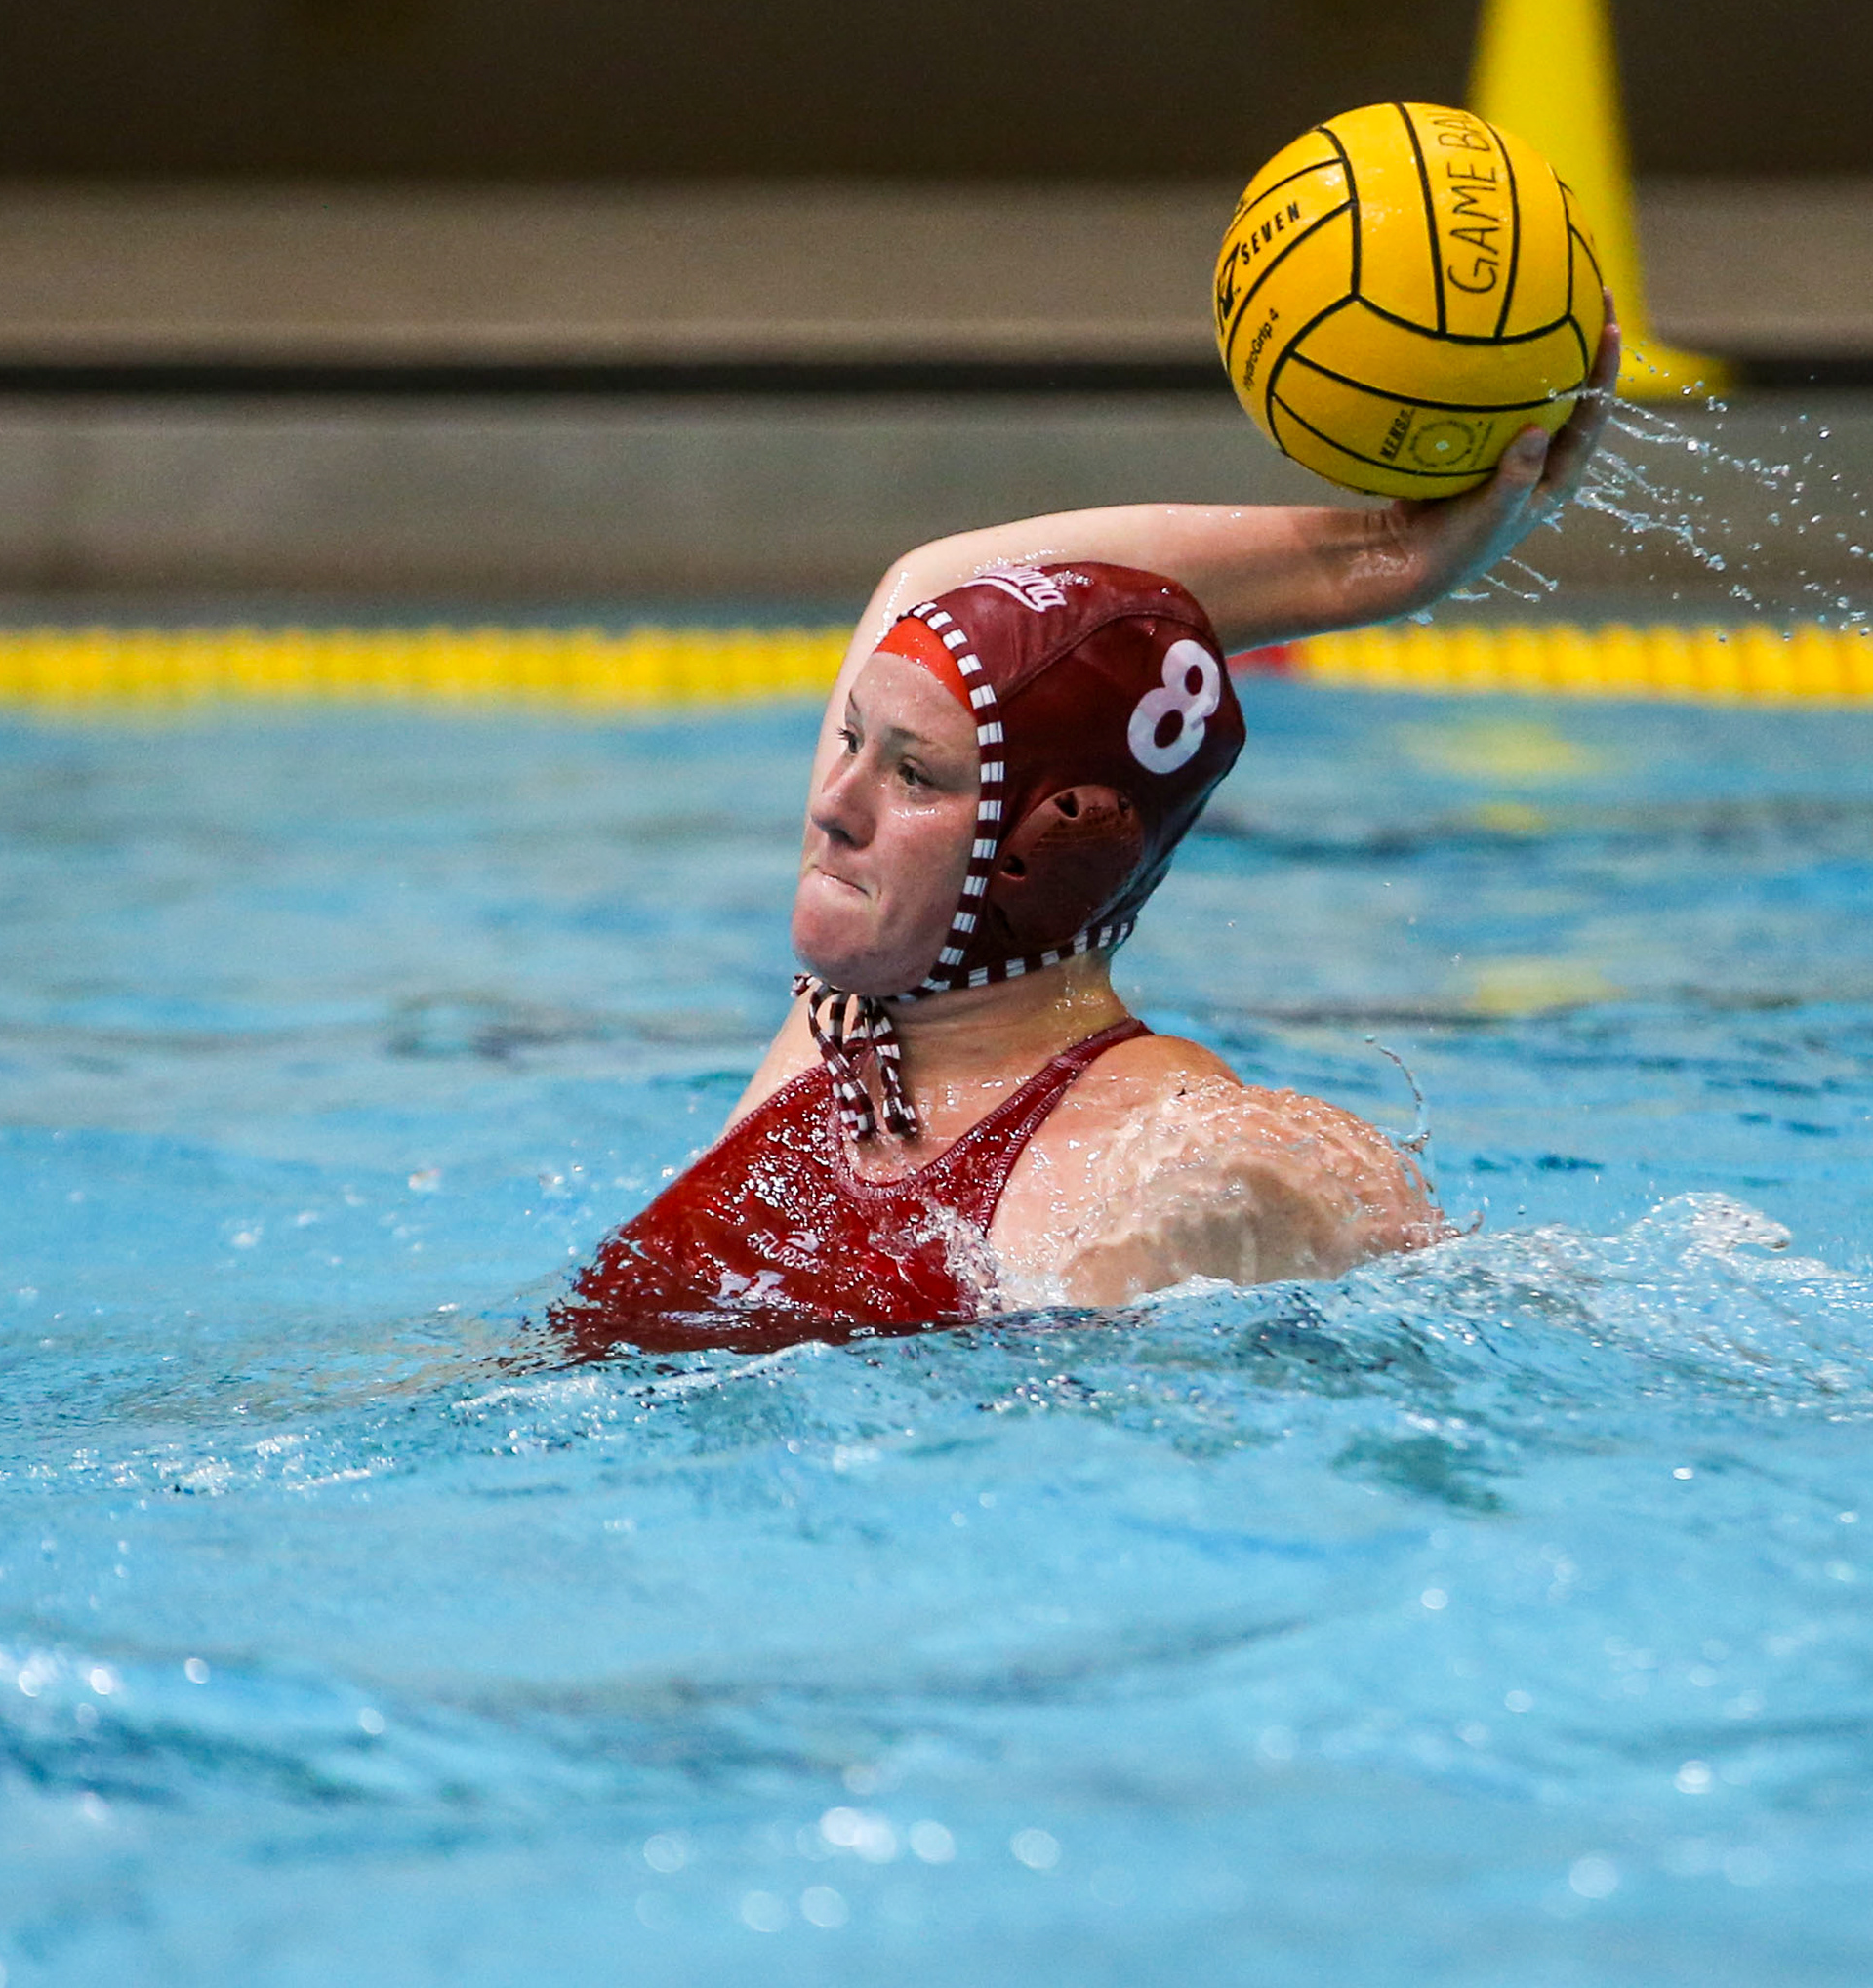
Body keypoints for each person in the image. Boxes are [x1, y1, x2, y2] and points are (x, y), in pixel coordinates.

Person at [553, 321, 1622, 1357]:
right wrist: (1390, 556)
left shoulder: (1180, 1162)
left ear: (1058, 849)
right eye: (849, 739)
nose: (834, 804)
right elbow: (934, 587)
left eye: (913, 773)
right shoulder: (840, 1032)